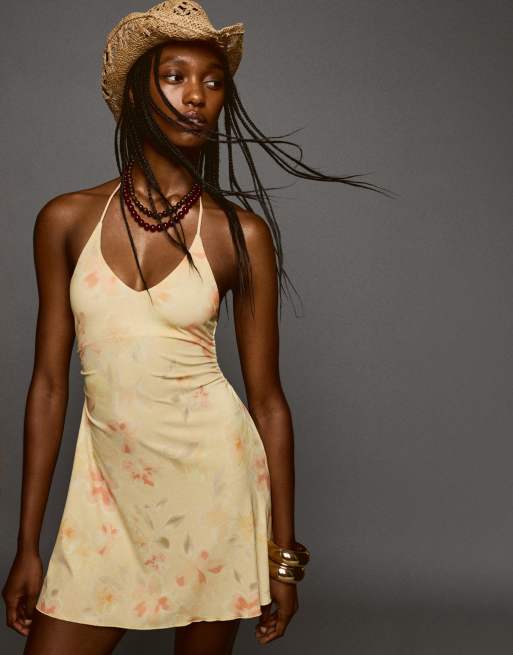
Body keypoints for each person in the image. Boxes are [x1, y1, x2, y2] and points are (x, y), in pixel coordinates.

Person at [2, 1, 390, 653]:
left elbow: (268, 402)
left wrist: (283, 557)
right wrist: (27, 545)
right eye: (175, 76)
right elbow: (47, 385)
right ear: (136, 94)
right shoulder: (65, 220)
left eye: (213, 82)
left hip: (215, 485)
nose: (196, 96)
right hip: (106, 495)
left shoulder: (239, 235)